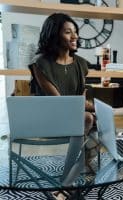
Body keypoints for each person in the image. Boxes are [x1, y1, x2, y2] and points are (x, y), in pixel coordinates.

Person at [28, 13, 97, 188]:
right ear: (54, 35)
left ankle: (73, 173)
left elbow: (80, 98)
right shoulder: (40, 63)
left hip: (75, 117)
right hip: (51, 119)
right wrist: (89, 109)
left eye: (75, 31)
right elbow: (59, 102)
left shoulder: (81, 63)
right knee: (88, 119)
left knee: (99, 126)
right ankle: (67, 180)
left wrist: (96, 107)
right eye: (68, 32)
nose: (75, 36)